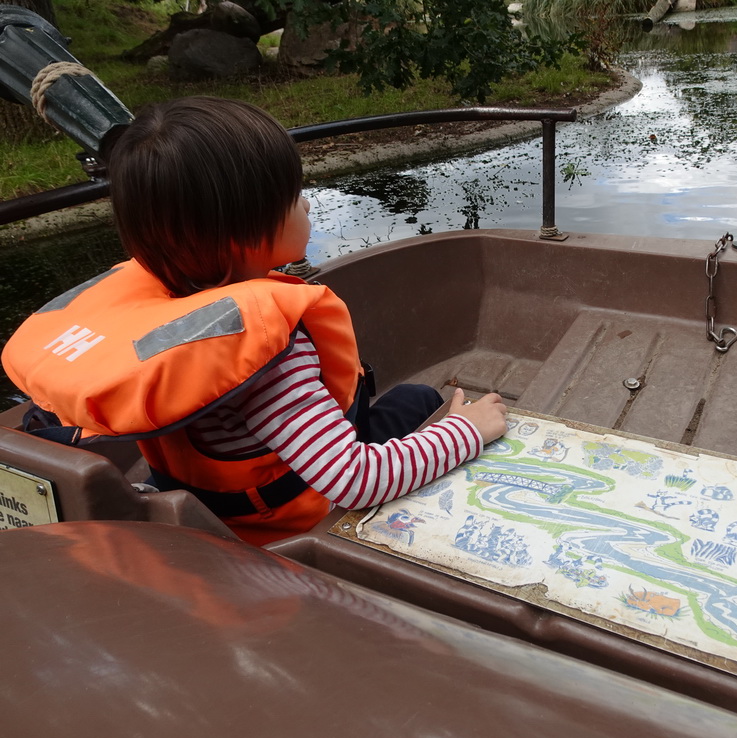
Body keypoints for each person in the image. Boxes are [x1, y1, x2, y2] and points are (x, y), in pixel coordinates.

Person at [1, 96, 507, 546]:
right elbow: (356, 480)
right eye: (294, 197)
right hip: (285, 523)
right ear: (245, 235)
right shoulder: (270, 354)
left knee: (415, 398)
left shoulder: (176, 313)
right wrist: (468, 431)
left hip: (210, 497)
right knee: (428, 406)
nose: (307, 203)